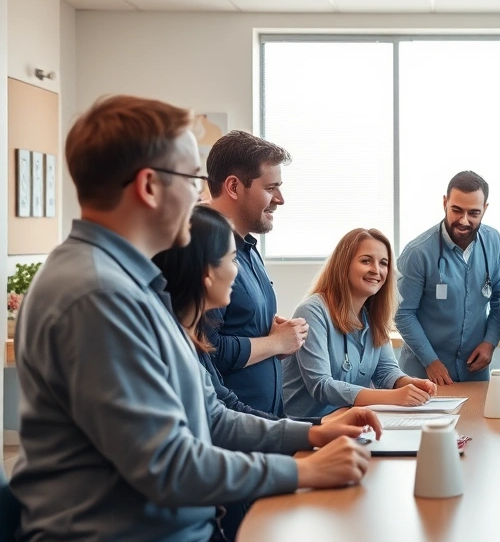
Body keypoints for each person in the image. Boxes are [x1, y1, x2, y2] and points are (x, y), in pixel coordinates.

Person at [9, 95, 375, 542]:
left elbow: (212, 418)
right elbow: (168, 465)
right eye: (193, 178)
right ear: (149, 187)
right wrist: (304, 470)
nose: (203, 195)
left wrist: (313, 434)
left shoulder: (137, 286)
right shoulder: (97, 295)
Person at [152, 205, 379, 540]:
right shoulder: (163, 343)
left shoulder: (189, 340)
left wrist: (316, 431)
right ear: (207, 274)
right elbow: (184, 458)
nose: (237, 272)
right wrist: (303, 469)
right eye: (231, 260)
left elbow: (222, 413)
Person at [204, 131, 307, 417]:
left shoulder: (248, 246)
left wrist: (275, 336)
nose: (280, 199)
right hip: (234, 430)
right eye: (271, 187)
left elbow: (239, 324)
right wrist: (274, 343)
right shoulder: (205, 252)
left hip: (266, 424)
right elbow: (205, 348)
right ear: (234, 187)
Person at [283, 229, 438, 417]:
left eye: (383, 263)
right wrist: (393, 397)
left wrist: (407, 383)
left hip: (351, 422)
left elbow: (385, 371)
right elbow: (321, 385)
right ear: (344, 265)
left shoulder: (372, 315)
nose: (376, 270)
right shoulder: (312, 311)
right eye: (366, 261)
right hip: (309, 428)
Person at [396, 171, 500, 384]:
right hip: (424, 373)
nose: (464, 221)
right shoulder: (418, 253)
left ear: (485, 209)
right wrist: (431, 361)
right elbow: (403, 314)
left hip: (474, 372)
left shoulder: (493, 242)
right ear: (445, 203)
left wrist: (490, 342)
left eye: (474, 213)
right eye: (457, 210)